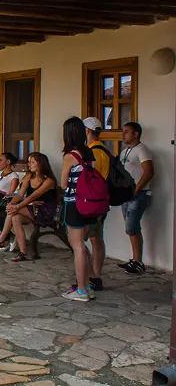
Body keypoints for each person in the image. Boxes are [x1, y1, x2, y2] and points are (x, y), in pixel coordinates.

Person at [0, 152, 57, 262]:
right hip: (31, 207)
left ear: (41, 163)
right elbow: (19, 194)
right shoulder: (29, 176)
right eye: (28, 162)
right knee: (15, 217)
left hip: (45, 210)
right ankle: (22, 252)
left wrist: (17, 206)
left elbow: (34, 195)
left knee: (13, 212)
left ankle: (0, 240)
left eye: (32, 162)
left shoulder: (49, 181)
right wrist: (12, 204)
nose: (29, 164)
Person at [61, 117, 98, 302]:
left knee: (77, 247)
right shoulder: (89, 154)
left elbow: (63, 183)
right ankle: (88, 284)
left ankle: (81, 289)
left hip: (74, 203)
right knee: (83, 245)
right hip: (89, 203)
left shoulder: (70, 156)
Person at [118, 121, 154, 274]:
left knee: (131, 227)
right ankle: (135, 260)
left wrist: (136, 190)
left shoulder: (142, 150)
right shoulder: (125, 151)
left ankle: (138, 261)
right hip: (125, 195)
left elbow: (148, 172)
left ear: (135, 134)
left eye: (127, 131)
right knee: (131, 228)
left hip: (139, 194)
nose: (123, 134)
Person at [83, 117, 110, 290]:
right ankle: (96, 275)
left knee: (79, 240)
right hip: (102, 200)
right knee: (97, 238)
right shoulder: (104, 150)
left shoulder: (91, 152)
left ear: (86, 131)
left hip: (90, 201)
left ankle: (90, 276)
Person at [0, 152, 20, 237]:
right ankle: (7, 237)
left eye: (1, 160)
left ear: (8, 162)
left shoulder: (13, 176)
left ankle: (6, 238)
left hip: (3, 201)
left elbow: (12, 194)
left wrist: (1, 193)